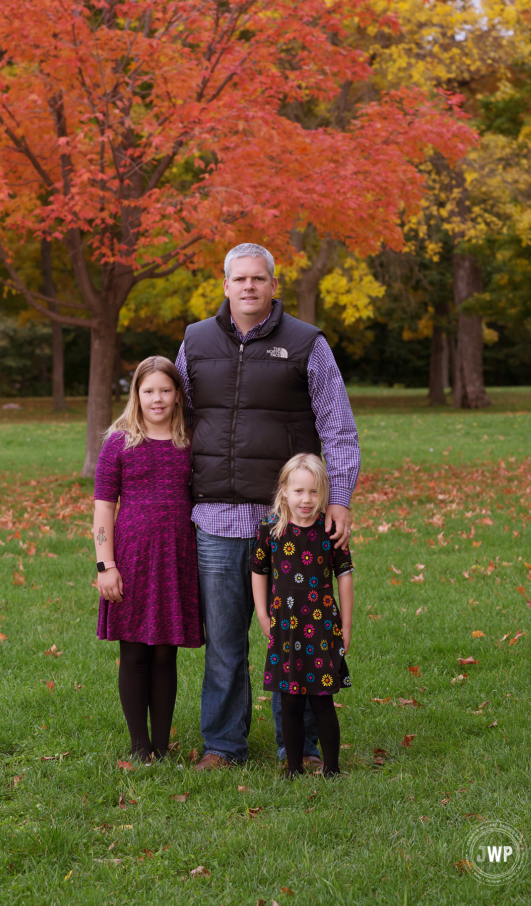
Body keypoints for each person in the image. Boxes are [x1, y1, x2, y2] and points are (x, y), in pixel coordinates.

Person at [175, 242, 360, 770]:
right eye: (240, 279)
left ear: (273, 285)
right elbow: (174, 416)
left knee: (294, 636)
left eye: (260, 278)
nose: (249, 287)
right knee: (226, 644)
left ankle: (296, 747)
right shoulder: (196, 340)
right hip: (215, 519)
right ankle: (223, 745)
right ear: (225, 284)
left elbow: (338, 427)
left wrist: (340, 498)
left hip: (287, 524)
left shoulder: (306, 343)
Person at [94, 355, 204, 763]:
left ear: (178, 396)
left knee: (165, 652)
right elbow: (104, 507)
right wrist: (105, 564)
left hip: (177, 558)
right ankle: (140, 747)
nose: (157, 399)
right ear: (136, 396)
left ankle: (162, 742)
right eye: (148, 391)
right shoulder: (119, 442)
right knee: (136, 652)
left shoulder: (191, 442)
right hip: (132, 558)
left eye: (165, 390)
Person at [252, 453, 354, 778]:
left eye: (313, 492)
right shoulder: (271, 529)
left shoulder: (330, 531)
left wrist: (346, 626)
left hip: (322, 627)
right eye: (299, 491)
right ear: (284, 491)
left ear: (322, 493)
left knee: (322, 700)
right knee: (290, 702)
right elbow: (259, 571)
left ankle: (332, 767)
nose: (306, 500)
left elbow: (345, 577)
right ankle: (293, 766)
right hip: (286, 628)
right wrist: (262, 615)